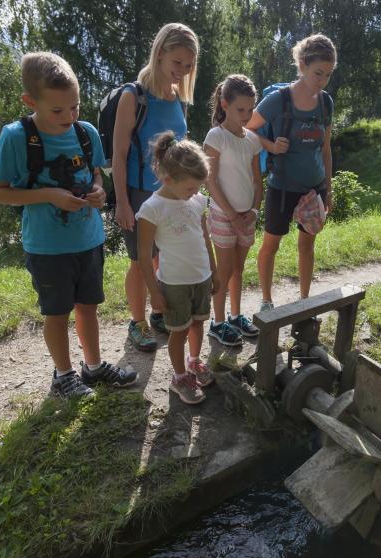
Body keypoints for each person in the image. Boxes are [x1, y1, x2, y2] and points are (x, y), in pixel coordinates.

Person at [0, 52, 137, 398]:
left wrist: (99, 191)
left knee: (88, 306)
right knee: (56, 312)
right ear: (30, 101)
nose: (69, 117)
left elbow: (96, 173)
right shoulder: (15, 137)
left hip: (89, 238)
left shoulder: (85, 133)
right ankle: (64, 374)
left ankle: (94, 366)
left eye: (75, 107)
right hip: (47, 246)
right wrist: (48, 195)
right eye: (57, 111)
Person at [112, 22, 199, 352]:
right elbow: (118, 156)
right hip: (138, 194)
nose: (182, 71)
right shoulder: (133, 96)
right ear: (159, 53)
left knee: (162, 257)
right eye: (177, 62)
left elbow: (182, 148)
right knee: (140, 261)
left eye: (188, 65)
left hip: (171, 194)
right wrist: (121, 202)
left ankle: (157, 312)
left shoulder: (179, 98)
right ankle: (137, 323)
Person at [247, 33, 336, 311]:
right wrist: (271, 146)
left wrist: (329, 188)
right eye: (317, 73)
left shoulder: (326, 103)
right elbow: (245, 128)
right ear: (302, 65)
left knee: (307, 246)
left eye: (328, 75)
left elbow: (325, 148)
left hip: (314, 187)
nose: (321, 81)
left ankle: (305, 301)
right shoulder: (278, 100)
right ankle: (266, 301)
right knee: (271, 244)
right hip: (282, 187)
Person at [136, 132, 217, 405]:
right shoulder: (153, 209)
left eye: (197, 189)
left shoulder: (196, 201)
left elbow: (205, 238)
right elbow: (144, 256)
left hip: (201, 278)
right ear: (168, 179)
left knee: (197, 324)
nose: (195, 194)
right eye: (190, 189)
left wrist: (214, 271)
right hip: (174, 283)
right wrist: (153, 292)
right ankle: (179, 376)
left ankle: (194, 362)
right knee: (178, 331)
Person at [203, 75, 263, 347]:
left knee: (239, 269)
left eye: (251, 109)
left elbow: (257, 181)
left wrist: (253, 211)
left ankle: (236, 316)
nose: (247, 115)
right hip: (223, 216)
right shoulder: (216, 137)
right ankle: (217, 323)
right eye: (241, 110)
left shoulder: (252, 140)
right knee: (224, 272)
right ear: (224, 104)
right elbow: (210, 181)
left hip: (246, 216)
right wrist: (232, 215)